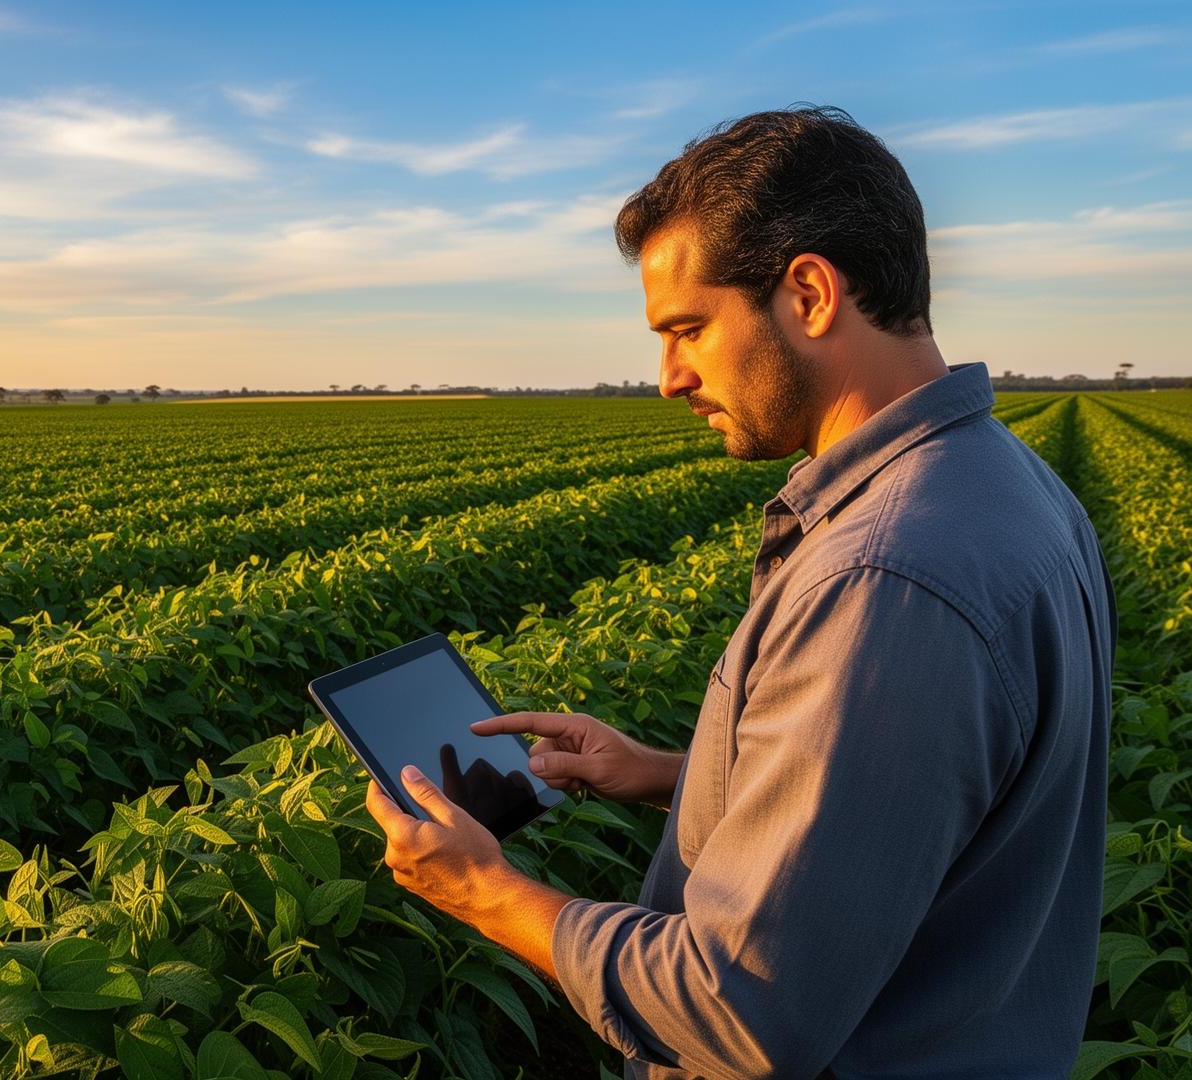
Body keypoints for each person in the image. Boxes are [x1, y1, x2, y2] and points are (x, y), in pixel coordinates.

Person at [363, 104, 1116, 1078]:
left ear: (809, 294)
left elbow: (738, 1007)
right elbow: (921, 798)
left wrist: (486, 893)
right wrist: (673, 774)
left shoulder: (885, 580)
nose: (668, 378)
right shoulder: (1014, 488)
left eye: (688, 329)